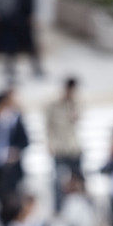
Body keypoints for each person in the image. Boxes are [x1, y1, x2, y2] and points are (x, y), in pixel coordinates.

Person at [45, 77, 82, 211]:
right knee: (59, 181)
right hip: (60, 148)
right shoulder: (54, 106)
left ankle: (79, 209)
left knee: (78, 179)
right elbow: (48, 127)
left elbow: (77, 120)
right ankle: (59, 209)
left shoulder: (75, 104)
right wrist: (50, 144)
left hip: (74, 148)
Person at [0, 90, 29, 203]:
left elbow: (25, 141)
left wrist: (15, 152)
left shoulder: (14, 119)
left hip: (11, 165)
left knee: (12, 196)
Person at [17, 0, 44, 77]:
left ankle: (11, 68)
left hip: (22, 14)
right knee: (29, 42)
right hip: (23, 15)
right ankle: (36, 68)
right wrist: (29, 15)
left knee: (21, 41)